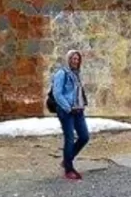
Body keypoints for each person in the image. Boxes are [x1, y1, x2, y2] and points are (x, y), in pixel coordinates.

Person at [52, 49, 90, 180]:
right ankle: (69, 169)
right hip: (66, 111)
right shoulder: (61, 73)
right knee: (69, 138)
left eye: (77, 59)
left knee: (84, 136)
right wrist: (68, 108)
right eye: (73, 59)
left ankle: (67, 160)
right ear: (68, 60)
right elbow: (57, 94)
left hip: (78, 110)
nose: (76, 61)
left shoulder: (76, 74)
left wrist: (80, 105)